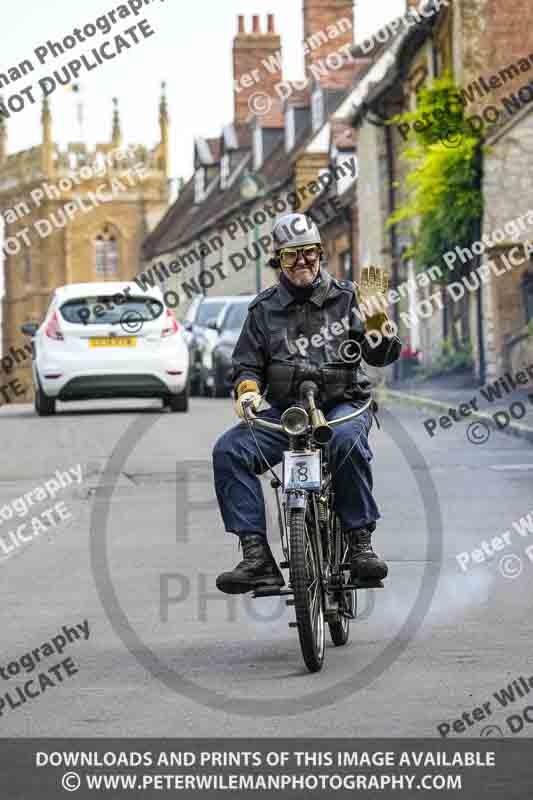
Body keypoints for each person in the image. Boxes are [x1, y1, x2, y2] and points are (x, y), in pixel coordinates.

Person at [212, 212, 401, 595]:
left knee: (347, 442)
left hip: (341, 404)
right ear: (277, 261)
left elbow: (381, 356)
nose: (301, 262)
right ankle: (257, 558)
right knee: (229, 451)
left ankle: (359, 544)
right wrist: (248, 390)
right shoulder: (262, 310)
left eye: (308, 253)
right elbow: (246, 363)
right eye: (290, 255)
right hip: (288, 415)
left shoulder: (349, 297)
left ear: (320, 254)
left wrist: (379, 318)